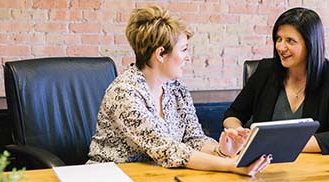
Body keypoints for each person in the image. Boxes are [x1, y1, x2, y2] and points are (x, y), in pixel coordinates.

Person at [87, 5, 271, 176]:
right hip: (110, 175)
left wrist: (222, 150)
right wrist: (232, 165)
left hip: (157, 175)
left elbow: (194, 138)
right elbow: (167, 150)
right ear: (160, 54)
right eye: (183, 50)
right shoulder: (124, 93)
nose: (188, 58)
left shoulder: (176, 89)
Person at [223, 7, 329, 154]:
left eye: (290, 41)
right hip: (264, 165)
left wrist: (278, 144)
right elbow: (232, 114)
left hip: (315, 167)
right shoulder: (266, 70)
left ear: (310, 44)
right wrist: (238, 132)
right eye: (278, 39)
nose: (280, 47)